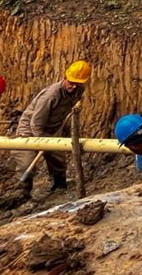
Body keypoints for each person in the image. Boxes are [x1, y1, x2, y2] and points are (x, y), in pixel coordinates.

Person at [13, 59, 91, 196]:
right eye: (71, 83)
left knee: (58, 160)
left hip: (52, 129)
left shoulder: (78, 90)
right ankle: (24, 192)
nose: (73, 87)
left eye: (77, 84)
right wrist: (42, 142)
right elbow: (36, 122)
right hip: (30, 129)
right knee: (27, 164)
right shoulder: (51, 95)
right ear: (64, 77)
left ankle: (59, 187)